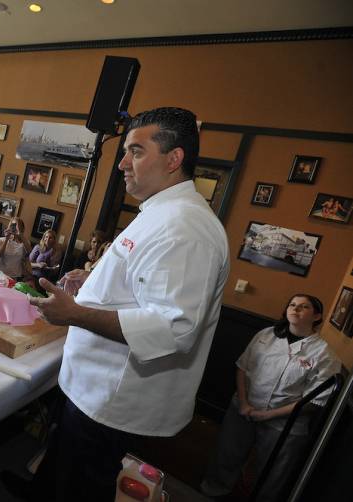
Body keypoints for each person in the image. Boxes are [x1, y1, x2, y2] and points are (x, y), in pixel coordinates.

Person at [25, 107, 230, 501]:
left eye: (135, 152)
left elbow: (174, 327)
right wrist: (95, 280)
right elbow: (141, 281)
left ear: (174, 159)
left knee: (80, 485)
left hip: (110, 397)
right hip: (89, 383)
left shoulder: (185, 227)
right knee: (59, 468)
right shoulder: (160, 210)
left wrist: (75, 313)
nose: (121, 164)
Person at [201, 294, 341, 501]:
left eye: (304, 307)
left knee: (272, 472)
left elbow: (314, 400)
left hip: (285, 422)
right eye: (292, 304)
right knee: (228, 454)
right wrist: (244, 402)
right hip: (244, 408)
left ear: (317, 316)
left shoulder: (324, 354)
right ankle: (214, 490)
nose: (296, 309)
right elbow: (242, 367)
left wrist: (269, 415)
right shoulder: (266, 335)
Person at [0, 217, 32, 282]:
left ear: (22, 228)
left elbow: (29, 251)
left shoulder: (25, 242)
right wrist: (7, 239)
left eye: (18, 225)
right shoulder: (2, 240)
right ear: (9, 226)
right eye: (13, 225)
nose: (15, 227)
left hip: (16, 276)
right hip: (1, 274)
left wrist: (20, 235)